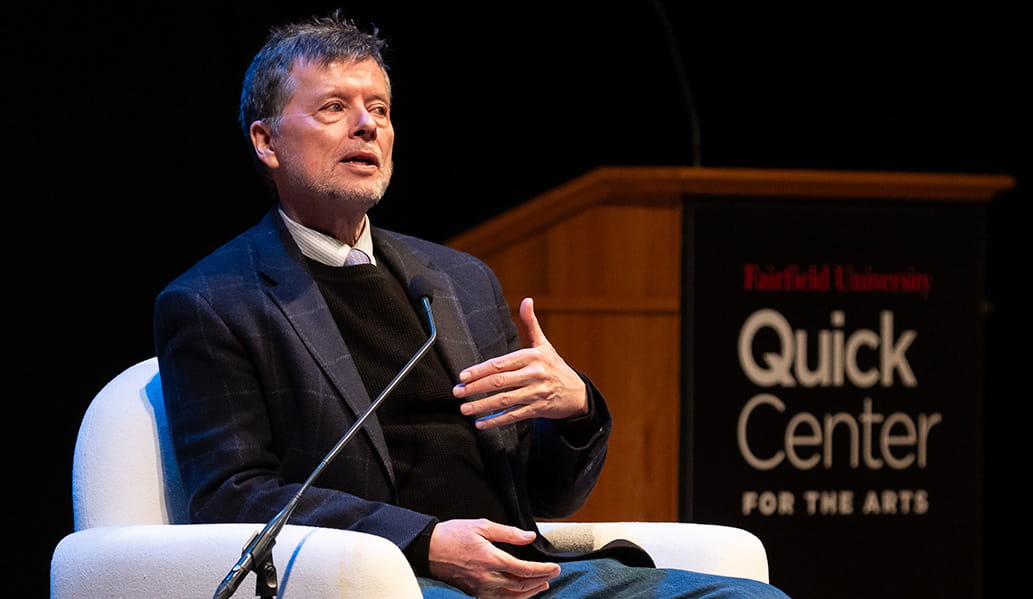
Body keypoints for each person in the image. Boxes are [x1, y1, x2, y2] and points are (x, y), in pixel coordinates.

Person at [154, 13, 788, 599]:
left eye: (380, 108)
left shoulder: (459, 280)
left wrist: (575, 412)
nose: (367, 125)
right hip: (389, 583)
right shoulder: (214, 302)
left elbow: (545, 495)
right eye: (334, 107)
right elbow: (232, 496)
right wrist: (423, 542)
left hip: (530, 576)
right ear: (266, 141)